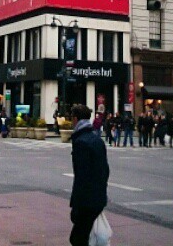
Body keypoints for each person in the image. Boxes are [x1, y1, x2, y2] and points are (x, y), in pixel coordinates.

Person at [69, 104, 109, 246]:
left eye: (71, 117)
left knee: (77, 239)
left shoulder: (81, 142)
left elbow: (81, 177)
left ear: (75, 118)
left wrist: (76, 205)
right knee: (82, 237)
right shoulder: (96, 139)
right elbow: (105, 171)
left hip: (87, 200)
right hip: (98, 197)